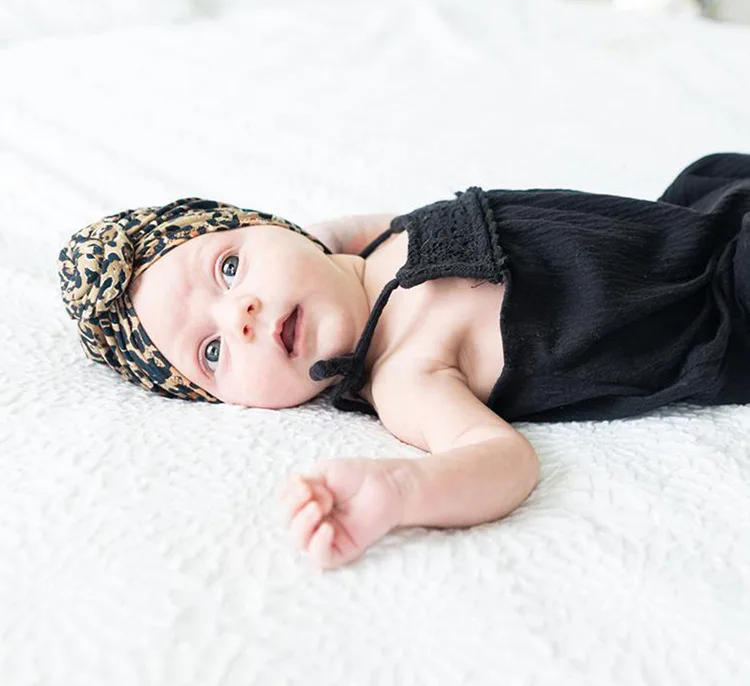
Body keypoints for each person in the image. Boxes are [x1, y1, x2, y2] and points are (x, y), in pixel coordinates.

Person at [58, 153, 750, 569]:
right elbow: (501, 458)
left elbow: (329, 237)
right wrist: (402, 492)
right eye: (211, 352)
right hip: (715, 304)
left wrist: (314, 241)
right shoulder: (403, 376)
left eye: (231, 266)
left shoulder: (375, 243)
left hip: (683, 231)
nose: (239, 316)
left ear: (275, 224)